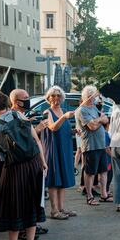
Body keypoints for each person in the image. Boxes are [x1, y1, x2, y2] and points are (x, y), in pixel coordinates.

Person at [0, 91, 47, 240]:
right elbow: (36, 140)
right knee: (31, 206)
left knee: (13, 210)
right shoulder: (19, 116)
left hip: (13, 170)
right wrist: (43, 162)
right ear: (6, 103)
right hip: (33, 165)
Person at [9, 89, 49, 237]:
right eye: (25, 98)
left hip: (30, 163)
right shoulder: (10, 117)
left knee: (31, 199)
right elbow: (30, 141)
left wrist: (43, 161)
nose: (28, 100)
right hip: (17, 166)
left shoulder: (22, 116)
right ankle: (21, 232)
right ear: (15, 101)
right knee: (21, 201)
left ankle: (29, 230)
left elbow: (36, 140)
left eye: (28, 97)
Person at [41, 86, 76, 220]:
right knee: (54, 179)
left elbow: (63, 129)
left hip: (64, 148)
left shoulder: (63, 110)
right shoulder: (47, 112)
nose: (56, 98)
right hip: (53, 148)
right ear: (48, 98)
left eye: (59, 96)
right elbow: (52, 127)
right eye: (53, 96)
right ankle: (54, 210)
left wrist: (73, 132)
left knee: (62, 178)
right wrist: (64, 117)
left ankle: (61, 208)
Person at [75, 85, 112, 206]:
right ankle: (89, 196)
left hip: (101, 145)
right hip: (90, 146)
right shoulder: (82, 110)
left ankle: (104, 195)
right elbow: (92, 127)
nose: (96, 99)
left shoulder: (94, 108)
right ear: (88, 96)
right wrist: (100, 120)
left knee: (103, 171)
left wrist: (99, 120)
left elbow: (106, 120)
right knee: (90, 172)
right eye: (94, 96)